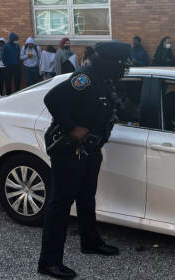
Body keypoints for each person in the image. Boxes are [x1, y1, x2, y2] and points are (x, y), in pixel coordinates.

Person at [38, 41, 131, 279]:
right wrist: (72, 128)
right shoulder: (85, 78)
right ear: (111, 62)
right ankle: (49, 262)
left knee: (87, 197)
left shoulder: (104, 79)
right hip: (70, 149)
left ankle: (90, 242)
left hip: (90, 148)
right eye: (122, 63)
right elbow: (52, 99)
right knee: (60, 203)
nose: (126, 67)